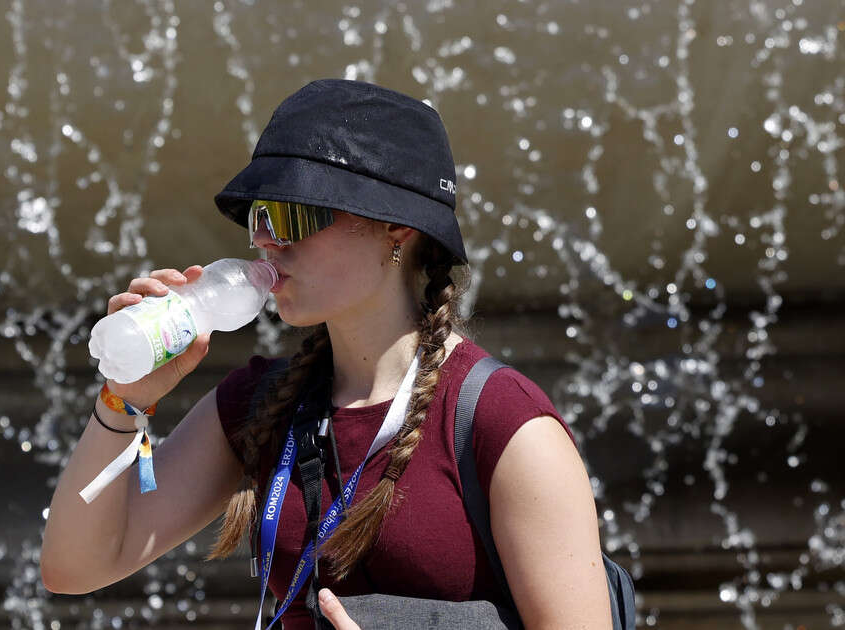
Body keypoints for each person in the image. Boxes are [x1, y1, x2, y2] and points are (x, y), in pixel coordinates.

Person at [40, 79, 612, 629]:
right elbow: (76, 566)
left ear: (396, 227)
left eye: (295, 214)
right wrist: (126, 397)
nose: (267, 240)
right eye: (260, 216)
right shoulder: (258, 403)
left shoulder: (505, 422)